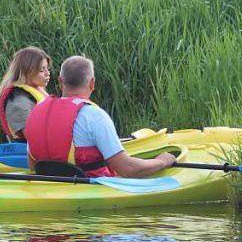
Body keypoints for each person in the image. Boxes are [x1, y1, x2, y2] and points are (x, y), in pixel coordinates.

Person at [25, 55, 175, 178]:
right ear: (92, 83)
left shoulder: (37, 111)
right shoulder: (94, 116)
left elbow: (32, 165)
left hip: (47, 187)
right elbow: (127, 169)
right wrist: (162, 162)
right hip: (87, 187)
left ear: (60, 82)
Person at [0, 46, 52, 142]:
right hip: (29, 154)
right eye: (41, 70)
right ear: (27, 71)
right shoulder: (19, 100)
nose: (47, 73)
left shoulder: (35, 92)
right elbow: (33, 139)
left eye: (47, 68)